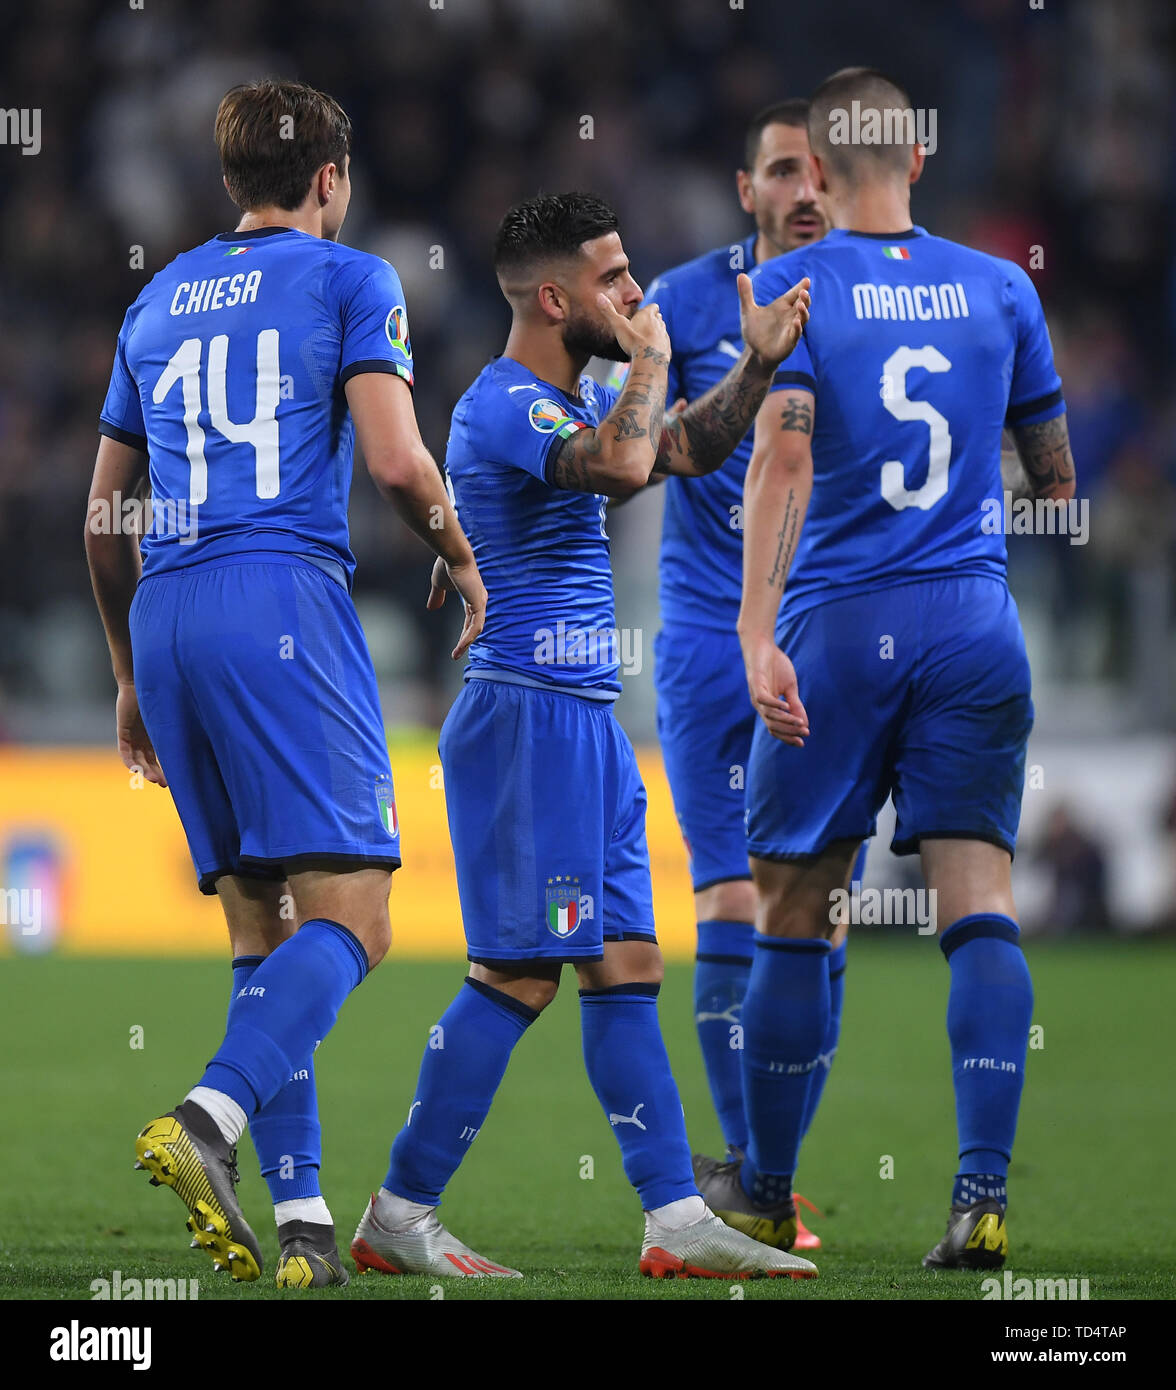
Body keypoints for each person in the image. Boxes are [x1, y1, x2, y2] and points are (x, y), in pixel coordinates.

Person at [349, 191, 817, 1280]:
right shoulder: (505, 404)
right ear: (555, 297)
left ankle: (671, 1215)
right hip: (527, 717)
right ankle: (400, 1208)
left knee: (626, 962)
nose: (637, 293)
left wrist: (751, 367)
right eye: (614, 279)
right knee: (519, 972)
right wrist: (656, 355)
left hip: (587, 721)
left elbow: (682, 451)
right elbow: (615, 464)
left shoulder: (590, 394)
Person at [86, 79, 485, 1288]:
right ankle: (210, 1118)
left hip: (166, 606)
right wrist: (464, 557)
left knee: (261, 919)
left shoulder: (153, 301)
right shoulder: (353, 279)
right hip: (280, 601)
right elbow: (394, 454)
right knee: (357, 914)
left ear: (227, 184)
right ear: (330, 179)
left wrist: (126, 672)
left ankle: (306, 1222)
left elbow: (104, 518)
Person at [694, 68, 1076, 1270]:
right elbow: (1055, 476)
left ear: (815, 167)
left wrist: (757, 635)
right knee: (981, 907)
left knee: (795, 906)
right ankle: (978, 1197)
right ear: (916, 157)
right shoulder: (1003, 288)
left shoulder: (791, 289)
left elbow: (781, 468)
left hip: (841, 627)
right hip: (974, 621)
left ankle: (762, 1190)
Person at [612, 100, 860, 1251]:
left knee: (822, 915)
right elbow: (633, 449)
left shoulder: (875, 294)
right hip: (714, 635)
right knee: (731, 897)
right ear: (745, 186)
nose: (804, 188)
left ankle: (771, 1174)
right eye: (780, 171)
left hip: (842, 639)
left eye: (819, 171)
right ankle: (747, 1175)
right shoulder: (682, 303)